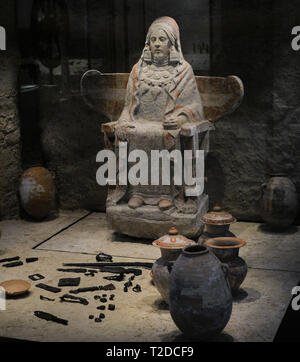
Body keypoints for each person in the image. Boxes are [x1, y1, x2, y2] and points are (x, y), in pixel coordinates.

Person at [109, 16, 204, 213]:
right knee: (133, 133)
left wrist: (179, 118)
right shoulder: (138, 70)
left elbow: (194, 106)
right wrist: (124, 120)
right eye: (153, 40)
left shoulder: (183, 70)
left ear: (172, 43)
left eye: (162, 39)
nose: (157, 44)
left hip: (167, 126)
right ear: (148, 44)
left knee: (162, 135)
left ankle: (166, 194)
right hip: (141, 122)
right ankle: (138, 193)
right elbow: (128, 106)